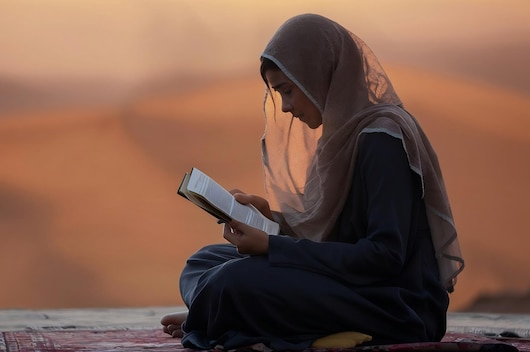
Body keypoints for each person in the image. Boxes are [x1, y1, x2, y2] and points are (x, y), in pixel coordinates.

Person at [161, 13, 464, 351]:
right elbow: (335, 235)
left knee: (230, 281)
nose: (287, 107)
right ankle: (218, 309)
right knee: (202, 262)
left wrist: (272, 247)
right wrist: (273, 220)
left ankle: (214, 311)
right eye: (279, 95)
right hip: (349, 286)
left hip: (393, 304)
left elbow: (383, 258)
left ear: (319, 75)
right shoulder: (339, 137)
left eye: (288, 91)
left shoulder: (382, 139)